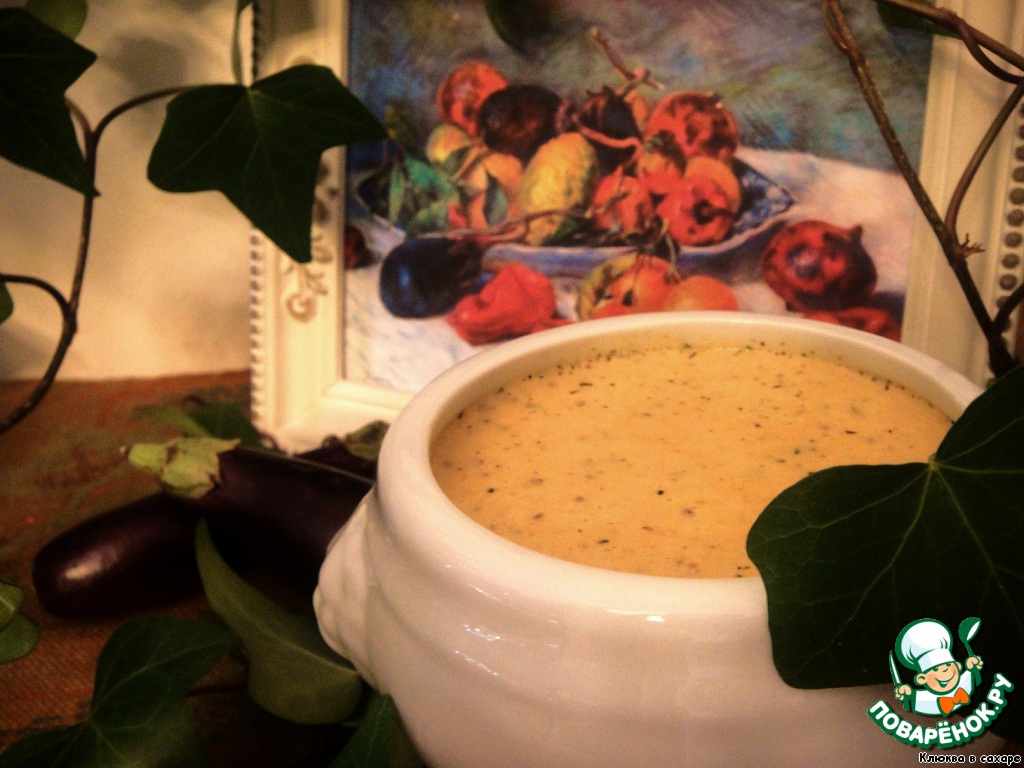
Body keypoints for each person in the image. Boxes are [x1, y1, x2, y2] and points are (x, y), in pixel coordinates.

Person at [894, 618, 983, 717]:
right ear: (922, 679)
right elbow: (910, 701)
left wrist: (973, 667)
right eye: (935, 669)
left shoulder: (965, 683)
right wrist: (906, 694)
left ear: (958, 666)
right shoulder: (924, 699)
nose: (945, 671)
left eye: (948, 665)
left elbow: (974, 677)